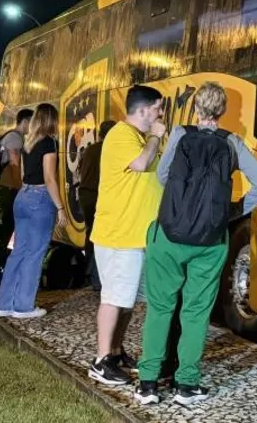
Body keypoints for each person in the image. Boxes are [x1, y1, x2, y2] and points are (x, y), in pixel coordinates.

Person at [136, 81, 257, 406]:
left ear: (196, 109)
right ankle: (186, 384)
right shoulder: (232, 143)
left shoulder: (181, 135)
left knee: (161, 308)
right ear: (222, 112)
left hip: (168, 235)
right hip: (210, 240)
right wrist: (232, 211)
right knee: (196, 313)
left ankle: (149, 384)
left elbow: (162, 176)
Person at [88, 85, 166, 387]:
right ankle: (101, 359)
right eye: (158, 108)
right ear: (144, 109)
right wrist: (157, 136)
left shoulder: (138, 138)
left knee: (127, 300)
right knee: (113, 299)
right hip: (119, 234)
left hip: (137, 235)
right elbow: (141, 164)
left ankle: (116, 351)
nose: (160, 114)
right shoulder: (121, 135)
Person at [0, 104, 66, 319]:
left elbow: (24, 173)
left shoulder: (28, 143)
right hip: (40, 199)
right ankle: (24, 306)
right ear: (52, 120)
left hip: (22, 196)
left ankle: (4, 303)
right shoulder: (49, 142)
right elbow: (50, 178)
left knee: (19, 251)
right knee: (35, 253)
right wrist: (60, 207)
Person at [0, 108, 34, 281]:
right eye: (31, 123)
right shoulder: (15, 138)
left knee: (4, 228)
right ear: (25, 122)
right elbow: (14, 164)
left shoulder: (13, 137)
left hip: (6, 188)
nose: (32, 127)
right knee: (4, 227)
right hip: (8, 189)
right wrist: (21, 190)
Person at [77, 120, 116, 291]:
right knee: (102, 237)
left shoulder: (89, 150)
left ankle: (89, 271)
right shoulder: (110, 150)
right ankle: (97, 277)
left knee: (91, 233)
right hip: (100, 197)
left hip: (85, 195)